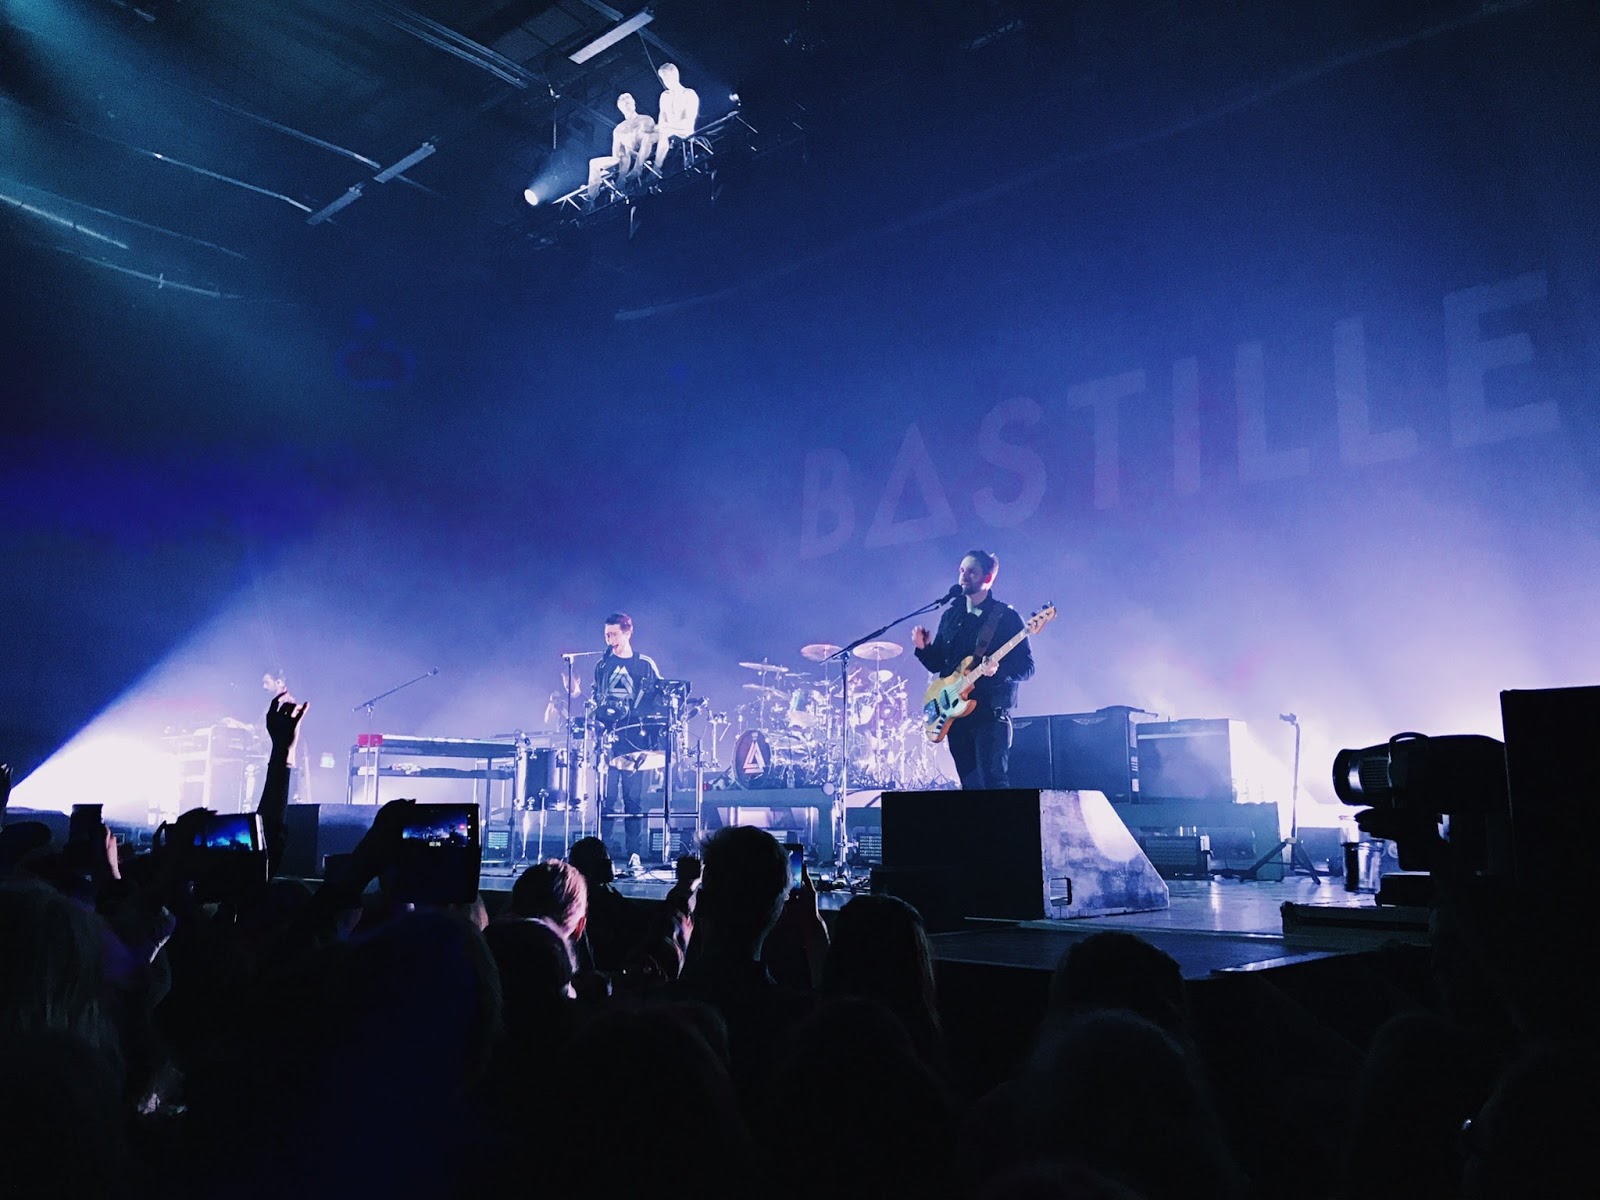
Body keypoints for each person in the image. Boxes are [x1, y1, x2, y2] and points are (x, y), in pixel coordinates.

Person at [912, 549, 1034, 789]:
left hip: (989, 714)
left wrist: (998, 669)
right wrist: (924, 648)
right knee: (970, 786)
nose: (964, 576)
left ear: (987, 578)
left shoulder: (1006, 617)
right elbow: (939, 665)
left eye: (972, 572)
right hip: (956, 716)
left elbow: (1027, 667)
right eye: (962, 570)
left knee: (993, 783)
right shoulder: (951, 615)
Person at [592, 613, 662, 865]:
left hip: (635, 741)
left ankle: (635, 853)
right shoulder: (603, 665)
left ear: (628, 633)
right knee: (607, 799)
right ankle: (602, 853)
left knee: (633, 800)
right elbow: (596, 698)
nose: (609, 639)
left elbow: (660, 696)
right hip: (609, 741)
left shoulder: (644, 664)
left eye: (613, 634)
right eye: (606, 635)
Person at [585, 93, 656, 201]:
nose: (627, 105)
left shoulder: (645, 119)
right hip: (625, 158)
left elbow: (651, 140)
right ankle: (591, 196)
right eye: (624, 104)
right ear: (620, 108)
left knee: (639, 144)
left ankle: (636, 169)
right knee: (594, 163)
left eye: (628, 102)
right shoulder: (619, 129)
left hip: (645, 152)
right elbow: (616, 154)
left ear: (634, 103)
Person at [652, 62, 700, 170]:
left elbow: (688, 121)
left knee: (663, 134)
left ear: (675, 75)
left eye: (667, 77)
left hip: (684, 133)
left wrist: (668, 126)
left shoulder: (689, 94)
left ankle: (656, 169)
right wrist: (661, 126)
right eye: (664, 79)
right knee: (647, 137)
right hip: (667, 131)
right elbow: (662, 118)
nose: (666, 81)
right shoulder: (664, 96)